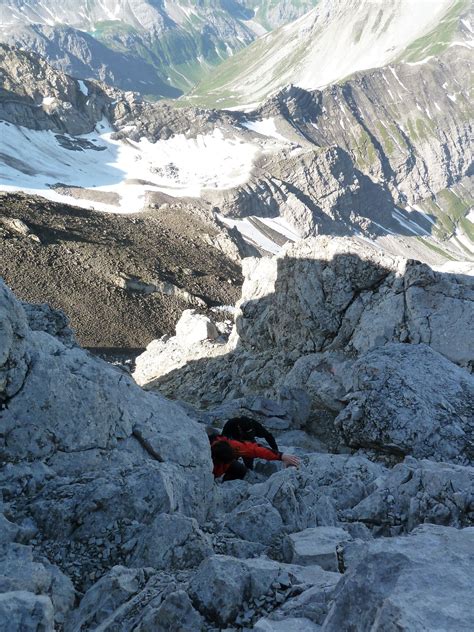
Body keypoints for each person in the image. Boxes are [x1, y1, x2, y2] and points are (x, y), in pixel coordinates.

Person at [211, 435, 300, 481]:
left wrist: (281, 456)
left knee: (241, 471)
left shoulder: (233, 446)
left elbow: (255, 449)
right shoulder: (203, 457)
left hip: (221, 464)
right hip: (211, 470)